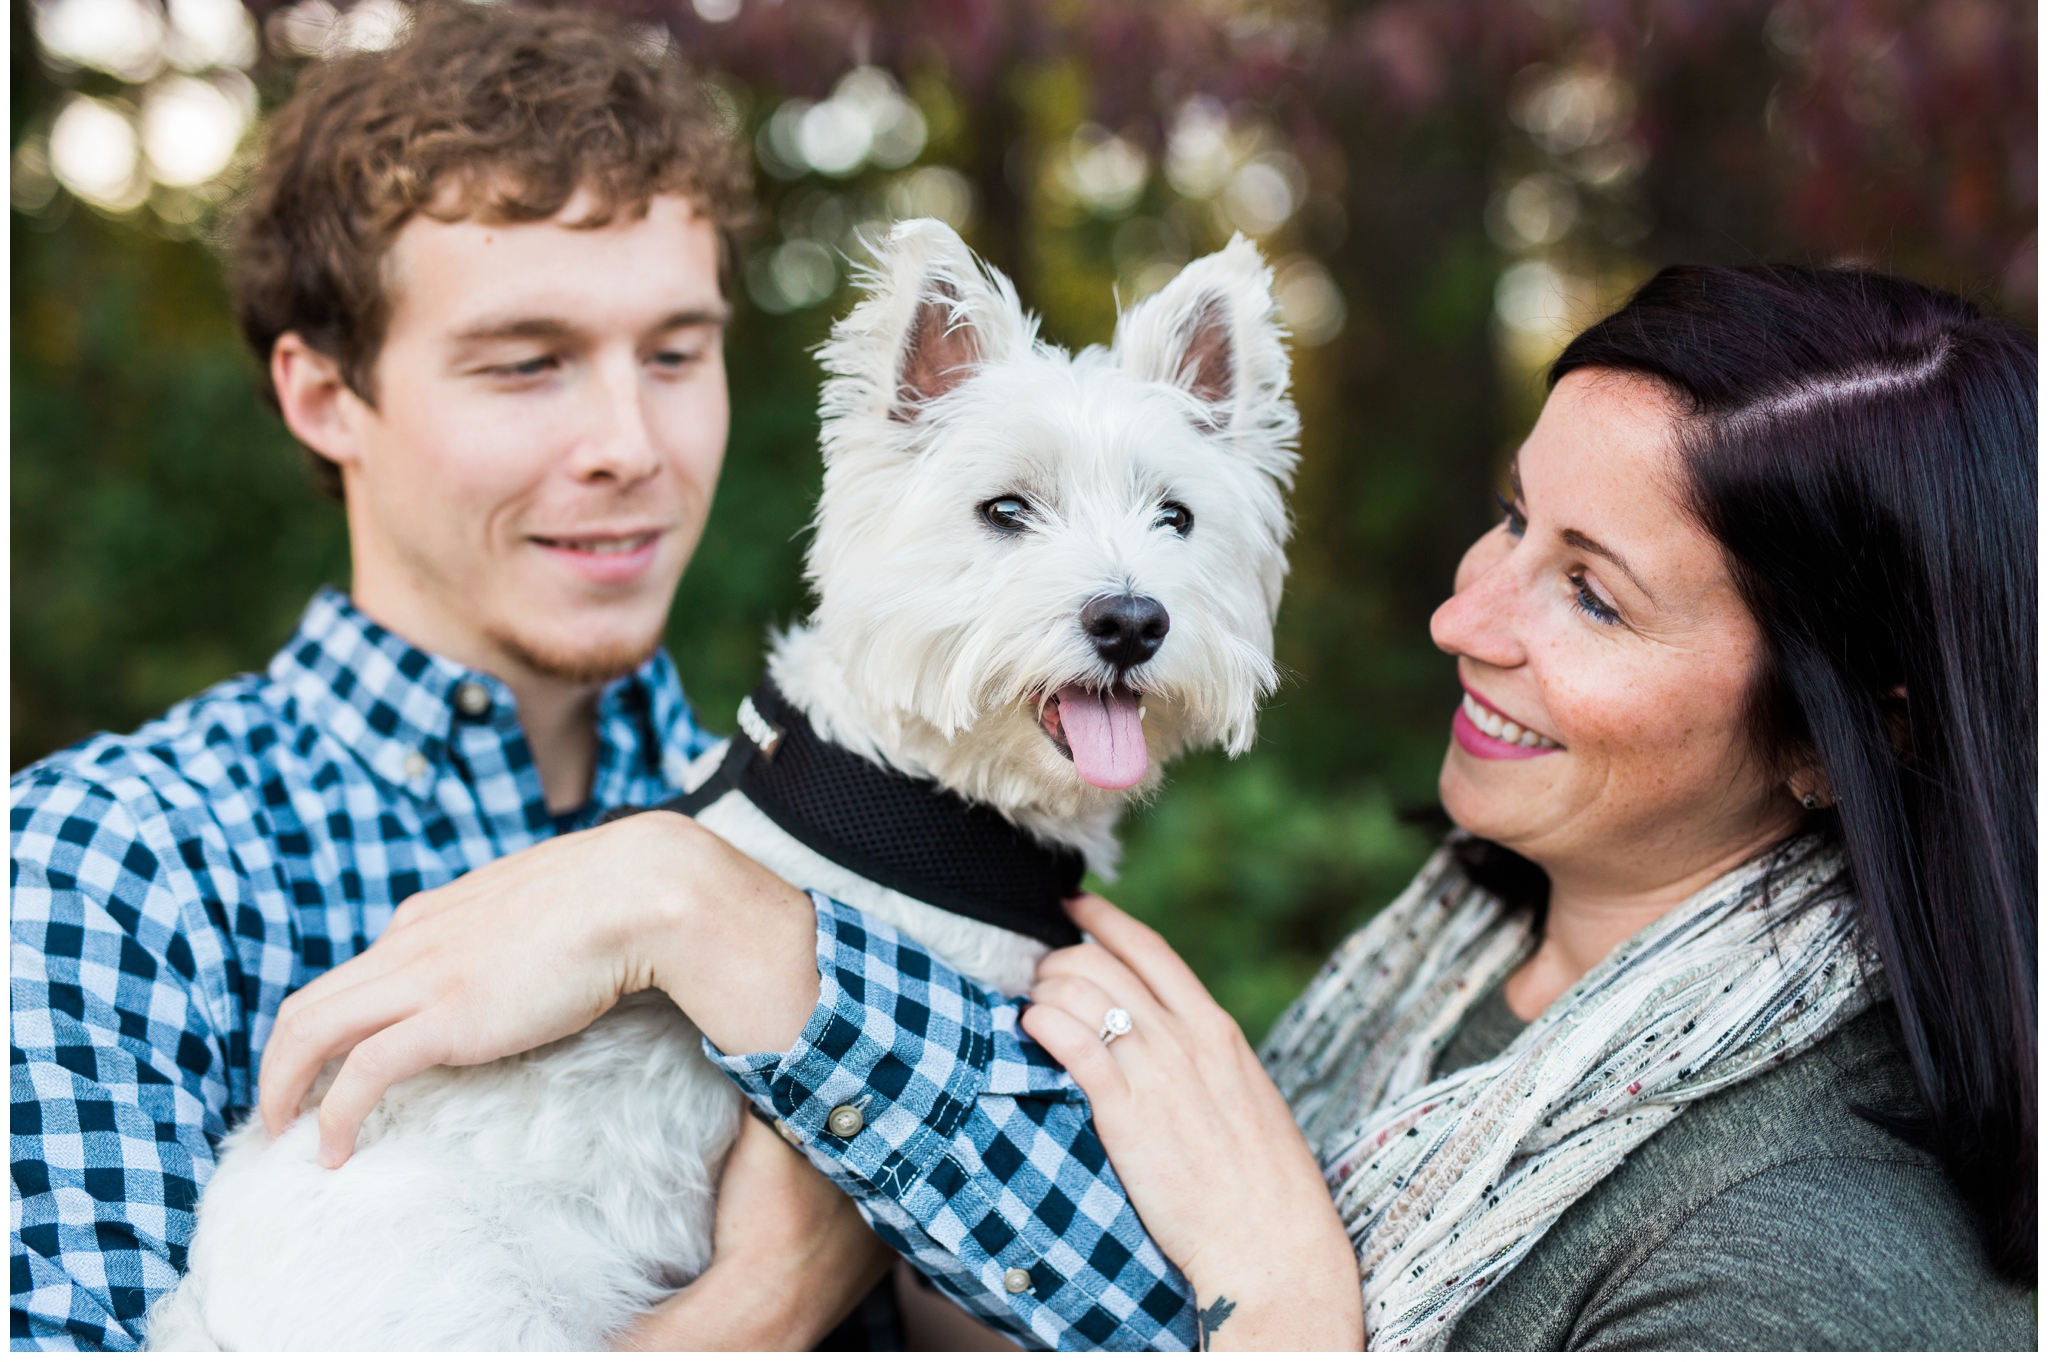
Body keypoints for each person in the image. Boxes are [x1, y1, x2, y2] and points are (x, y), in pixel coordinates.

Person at [255, 264, 2036, 1350]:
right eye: (1512, 524)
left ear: (1841, 734)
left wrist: (1279, 1309)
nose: (1459, 616)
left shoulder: (1809, 1264)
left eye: (1594, 591)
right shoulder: (1431, 973)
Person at [10, 6, 895, 1349]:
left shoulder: (825, 844)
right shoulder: (111, 867)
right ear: (323, 396)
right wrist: (755, 1310)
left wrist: (703, 907)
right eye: (528, 363)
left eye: (675, 352)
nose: (630, 444)